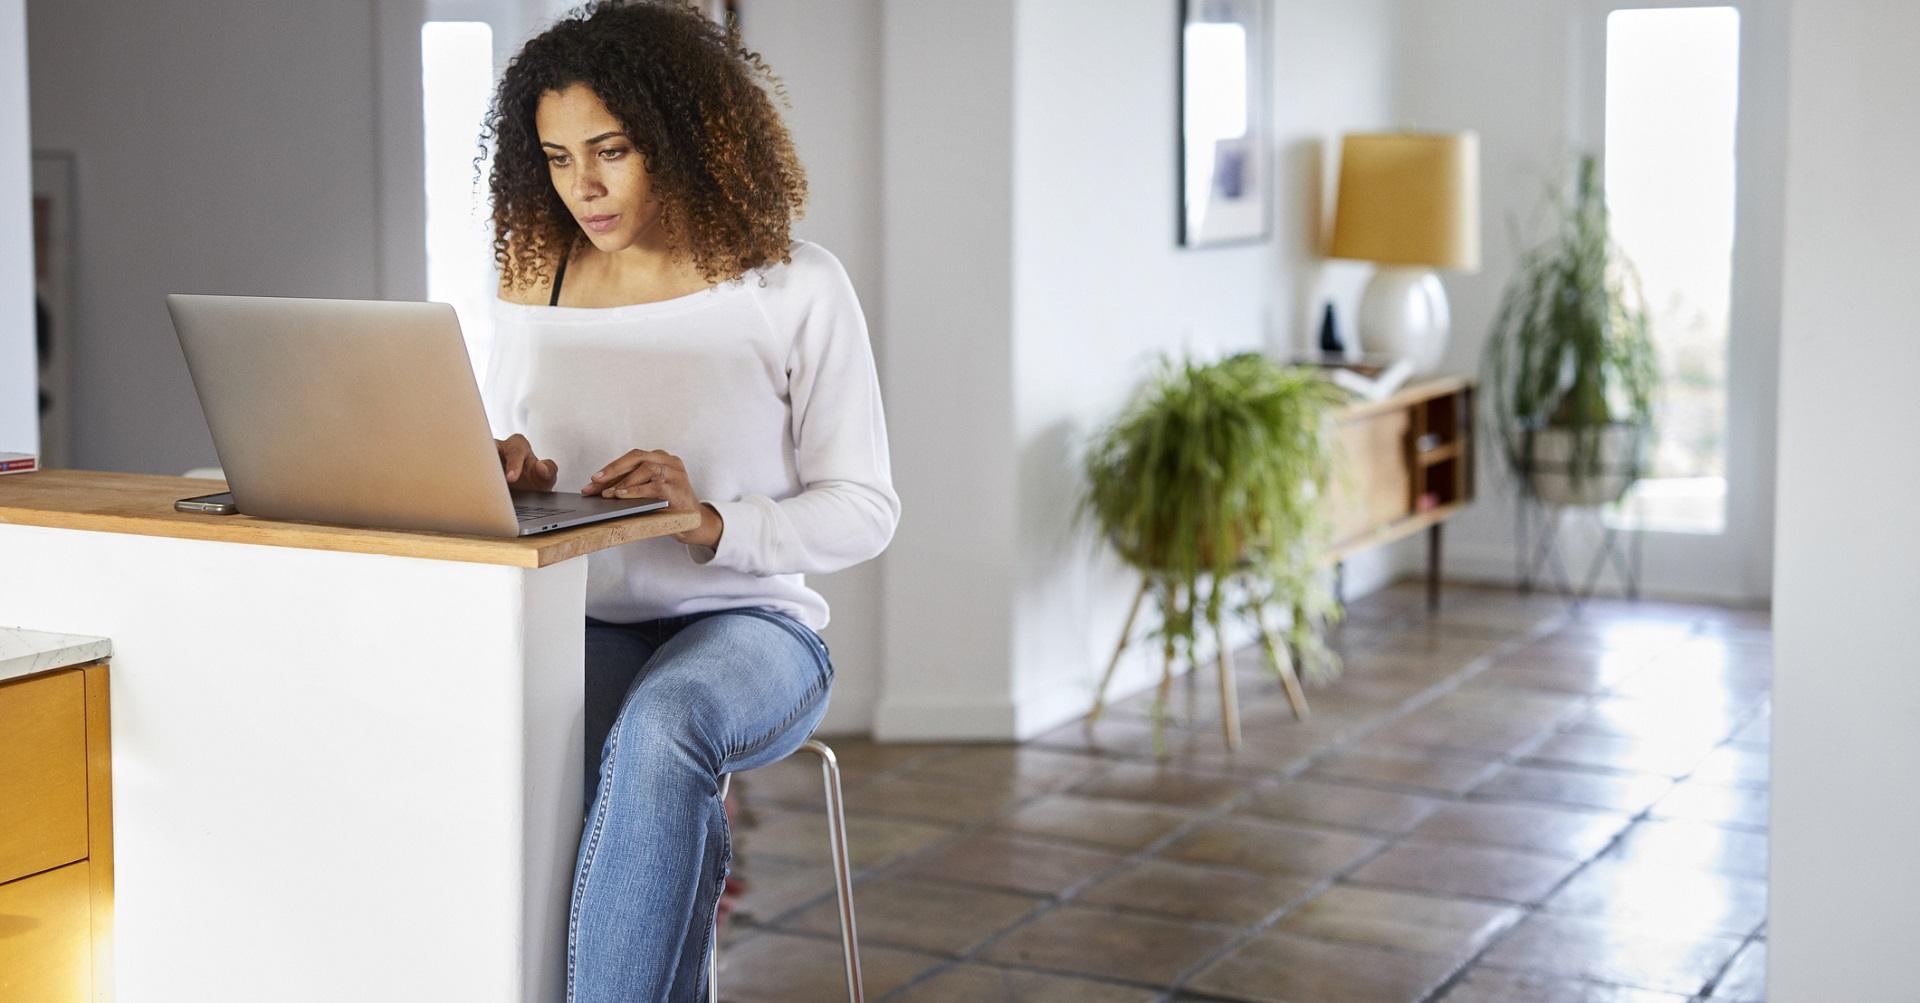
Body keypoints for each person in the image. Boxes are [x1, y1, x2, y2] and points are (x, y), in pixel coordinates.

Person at [477, 3, 899, 999]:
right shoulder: (533, 279)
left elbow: (865, 507)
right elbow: (509, 447)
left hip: (752, 625)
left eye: (611, 150)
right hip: (581, 619)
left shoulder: (794, 285)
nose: (582, 184)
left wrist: (710, 517)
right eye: (556, 157)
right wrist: (515, 475)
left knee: (665, 724)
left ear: (675, 135)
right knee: (520, 749)